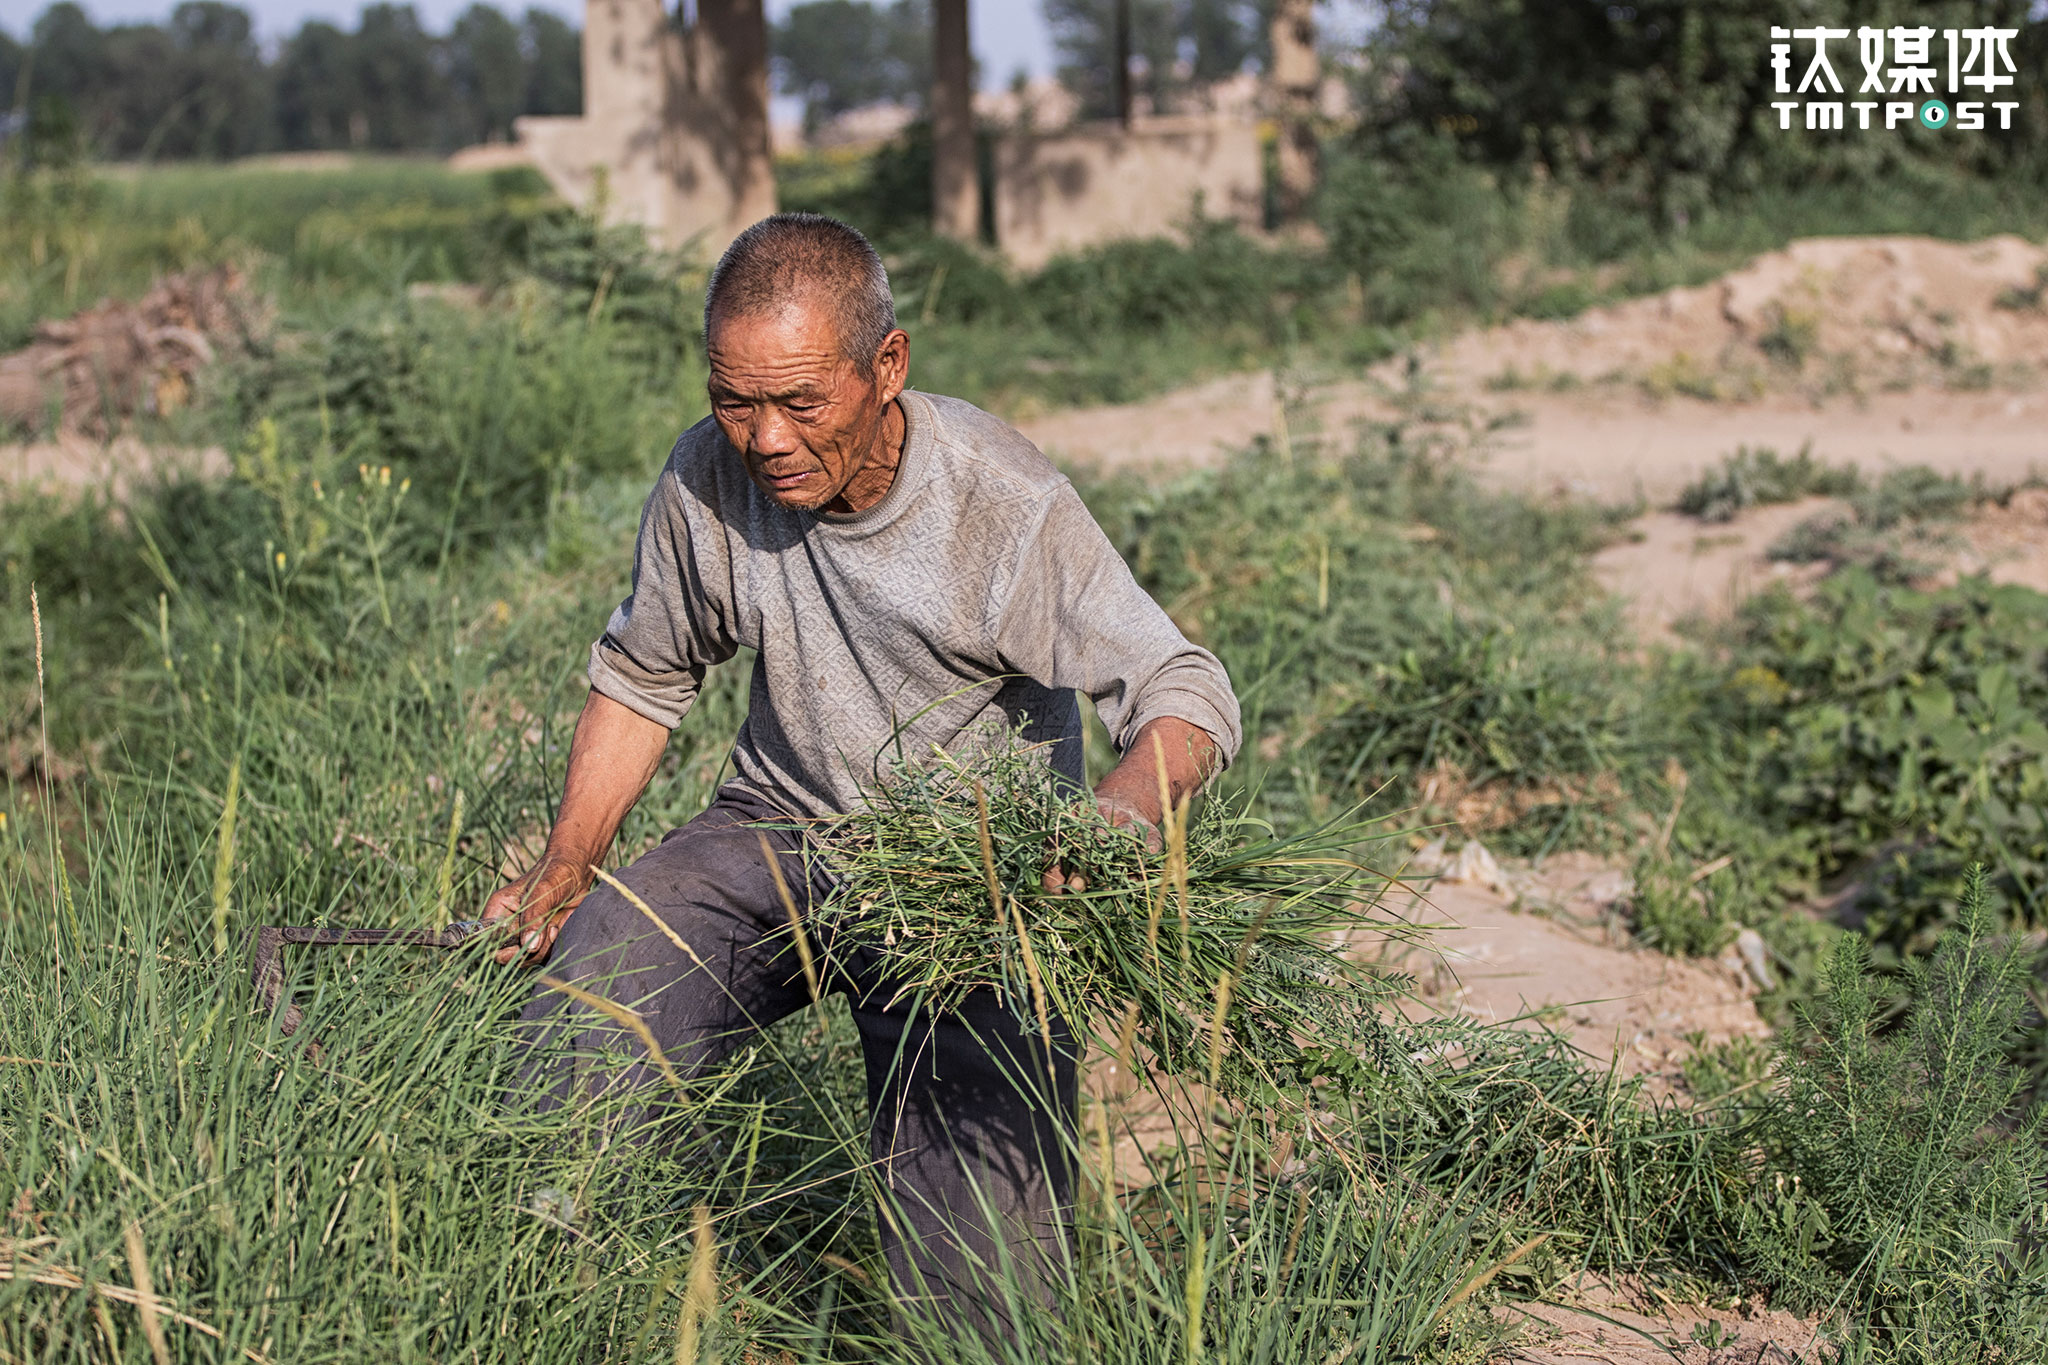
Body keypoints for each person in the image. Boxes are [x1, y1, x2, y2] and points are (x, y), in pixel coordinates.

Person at [483, 212, 1240, 1331]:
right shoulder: (706, 479)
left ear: (886, 367)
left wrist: (1111, 825)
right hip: (778, 828)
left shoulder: (997, 503)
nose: (764, 438)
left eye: (800, 402)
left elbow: (1186, 692)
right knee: (579, 1020)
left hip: (971, 883)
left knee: (981, 1307)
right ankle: (545, 1299)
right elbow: (644, 677)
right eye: (733, 400)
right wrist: (563, 869)